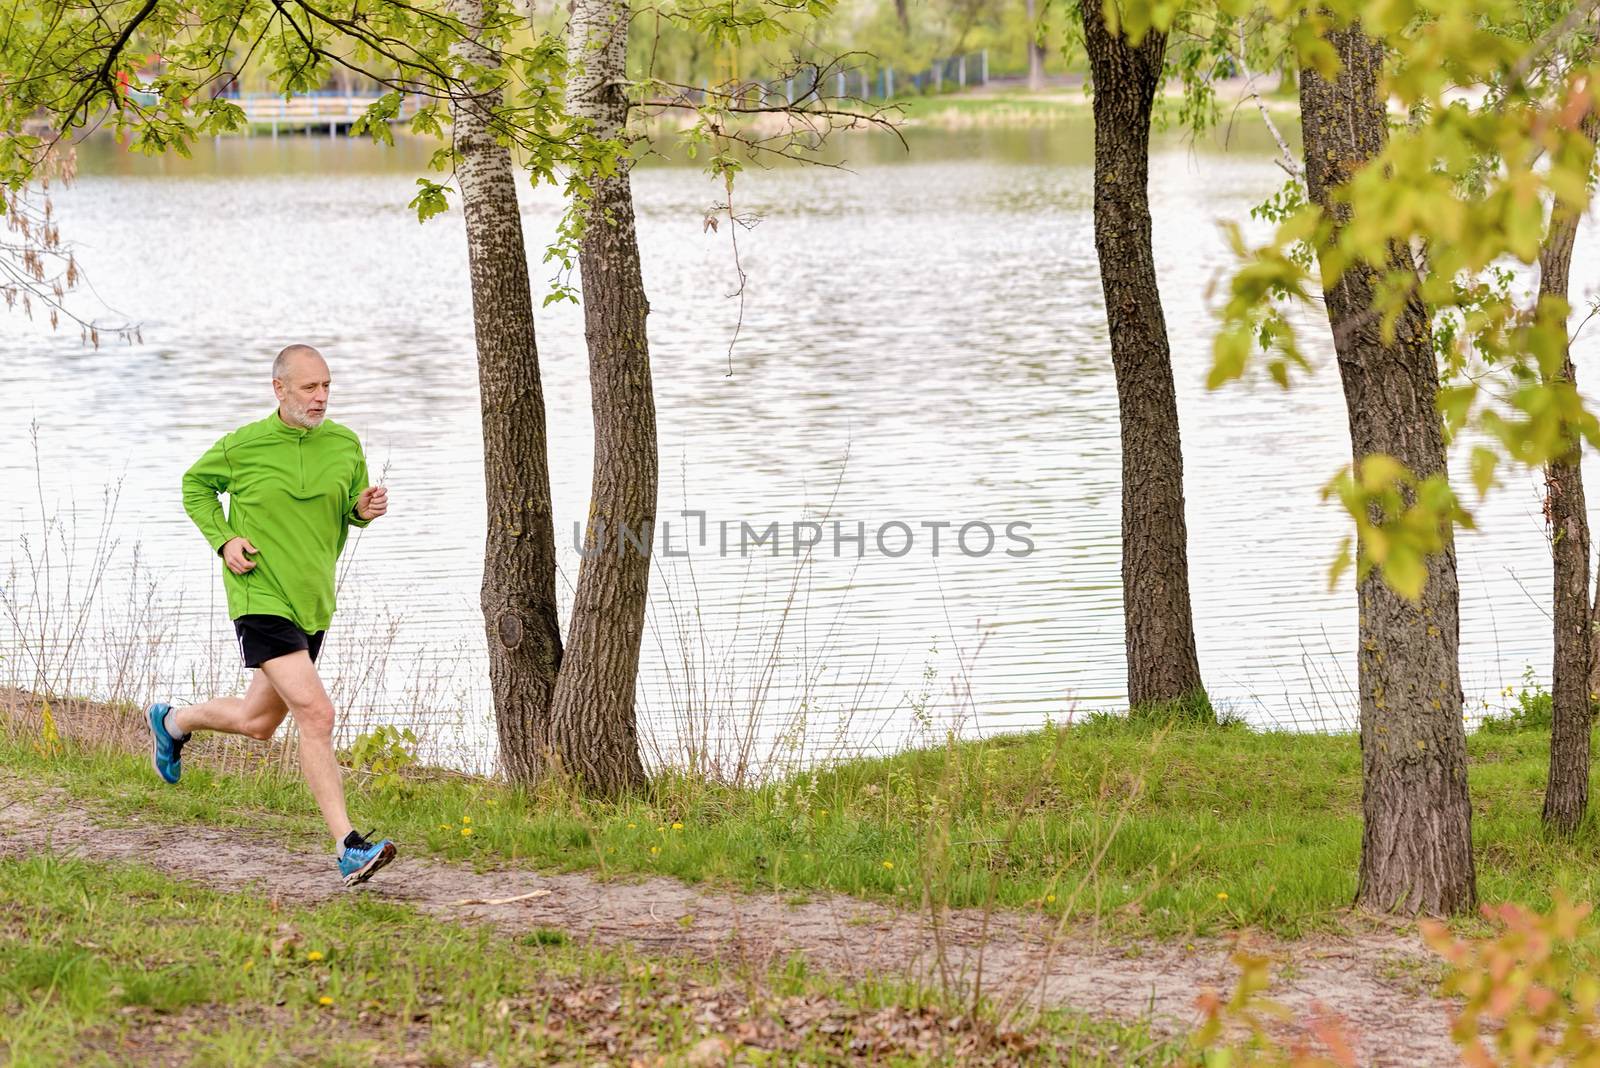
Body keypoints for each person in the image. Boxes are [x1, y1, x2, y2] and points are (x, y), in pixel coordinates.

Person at [146, 343, 397, 887]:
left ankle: (172, 722)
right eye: (309, 387)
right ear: (279, 389)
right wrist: (224, 539)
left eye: (327, 385)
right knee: (317, 714)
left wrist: (364, 509)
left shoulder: (345, 443)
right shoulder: (244, 446)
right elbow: (195, 487)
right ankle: (349, 847)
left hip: (312, 601)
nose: (321, 396)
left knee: (259, 724)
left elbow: (350, 506)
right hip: (259, 595)